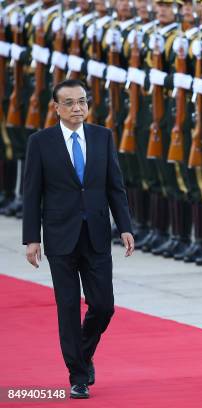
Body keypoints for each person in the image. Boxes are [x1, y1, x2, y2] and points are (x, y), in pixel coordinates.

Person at [21, 79, 134, 399]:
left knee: (103, 305)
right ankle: (78, 374)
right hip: (60, 237)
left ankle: (83, 354)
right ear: (56, 108)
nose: (77, 108)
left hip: (96, 234)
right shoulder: (41, 142)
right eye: (69, 103)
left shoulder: (103, 136)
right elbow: (32, 194)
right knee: (68, 306)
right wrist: (32, 238)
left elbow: (115, 186)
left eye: (82, 102)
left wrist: (125, 226)